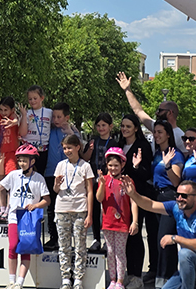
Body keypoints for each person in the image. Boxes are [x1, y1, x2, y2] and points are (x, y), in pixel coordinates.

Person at [122, 178, 196, 289]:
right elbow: (151, 205)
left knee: (185, 254)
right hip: (188, 269)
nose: (179, 199)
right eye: (177, 195)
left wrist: (175, 238)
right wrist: (133, 194)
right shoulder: (176, 208)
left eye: (184, 196)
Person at [0, 144, 50, 289]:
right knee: (12, 247)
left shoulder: (39, 178)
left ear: (32, 161)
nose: (21, 163)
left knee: (25, 249)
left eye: (24, 160)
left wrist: (36, 205)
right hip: (14, 217)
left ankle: (20, 282)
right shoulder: (13, 175)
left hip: (29, 219)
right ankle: (11, 281)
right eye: (19, 160)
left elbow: (47, 200)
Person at [53, 135, 94, 289]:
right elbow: (56, 190)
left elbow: (90, 191)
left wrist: (89, 214)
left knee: (80, 246)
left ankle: (78, 278)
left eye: (69, 147)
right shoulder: (60, 165)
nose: (67, 151)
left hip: (80, 210)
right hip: (62, 209)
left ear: (78, 147)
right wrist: (56, 185)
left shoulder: (85, 166)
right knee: (64, 246)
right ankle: (65, 278)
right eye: (64, 148)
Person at [118, 115, 153, 289]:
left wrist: (136, 166)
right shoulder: (118, 145)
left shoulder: (142, 146)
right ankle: (127, 273)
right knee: (123, 235)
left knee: (135, 233)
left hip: (137, 195)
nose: (124, 129)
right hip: (119, 196)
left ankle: (137, 276)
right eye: (123, 126)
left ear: (136, 128)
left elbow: (146, 174)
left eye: (128, 126)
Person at [148, 120, 185, 288]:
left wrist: (168, 165)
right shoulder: (157, 153)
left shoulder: (175, 154)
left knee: (165, 238)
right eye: (155, 132)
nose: (156, 135)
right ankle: (162, 276)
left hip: (169, 196)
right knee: (156, 238)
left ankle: (167, 279)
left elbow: (176, 181)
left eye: (160, 132)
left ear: (168, 134)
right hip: (156, 196)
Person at [96, 147, 139, 289]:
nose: (113, 168)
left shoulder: (127, 180)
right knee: (110, 251)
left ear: (122, 165)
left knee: (120, 252)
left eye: (116, 165)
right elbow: (99, 198)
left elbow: (134, 201)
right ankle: (112, 280)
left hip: (122, 223)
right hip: (108, 222)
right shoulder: (104, 179)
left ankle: (120, 281)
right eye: (110, 165)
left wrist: (135, 221)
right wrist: (102, 184)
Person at [116, 72, 185, 152]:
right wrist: (127, 90)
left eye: (160, 110)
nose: (156, 113)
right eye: (155, 132)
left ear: (170, 113)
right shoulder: (155, 126)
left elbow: (185, 156)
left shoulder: (180, 136)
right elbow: (138, 111)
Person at [43, 102, 81, 251]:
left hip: (70, 174)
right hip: (51, 172)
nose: (56, 120)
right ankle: (53, 238)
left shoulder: (73, 131)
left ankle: (68, 238)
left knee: (68, 207)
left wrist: (71, 132)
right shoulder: (49, 130)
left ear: (67, 117)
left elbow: (80, 147)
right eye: (54, 117)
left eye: (59, 117)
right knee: (52, 207)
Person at [82, 112, 119, 254]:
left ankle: (106, 240)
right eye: (98, 125)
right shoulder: (94, 141)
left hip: (107, 179)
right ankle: (96, 238)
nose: (101, 128)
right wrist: (90, 150)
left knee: (107, 209)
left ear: (110, 126)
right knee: (94, 209)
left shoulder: (114, 143)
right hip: (93, 178)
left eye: (104, 125)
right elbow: (85, 158)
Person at [18, 85, 52, 175]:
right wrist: (24, 115)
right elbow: (22, 133)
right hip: (28, 149)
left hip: (42, 149)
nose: (32, 101)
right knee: (26, 173)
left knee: (40, 174)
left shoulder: (49, 112)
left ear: (42, 98)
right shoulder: (27, 113)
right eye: (30, 99)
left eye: (35, 98)